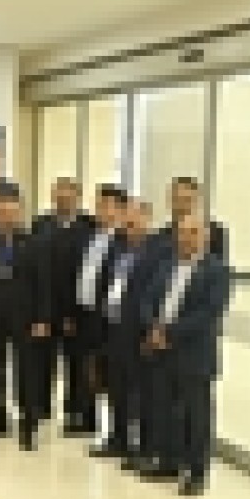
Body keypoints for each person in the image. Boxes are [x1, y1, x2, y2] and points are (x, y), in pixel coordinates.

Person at [138, 213, 232, 496]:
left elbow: (209, 313)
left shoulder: (218, 271)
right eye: (182, 232)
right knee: (165, 408)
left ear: (205, 236)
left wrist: (169, 333)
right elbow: (148, 299)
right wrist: (153, 328)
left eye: (193, 232)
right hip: (162, 350)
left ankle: (197, 472)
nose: (186, 238)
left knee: (196, 416)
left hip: (194, 354)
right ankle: (169, 462)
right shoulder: (167, 265)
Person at [0, 193, 52, 448]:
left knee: (27, 370)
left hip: (25, 316)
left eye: (13, 213)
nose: (8, 218)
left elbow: (44, 284)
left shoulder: (35, 244)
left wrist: (42, 319)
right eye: (3, 213)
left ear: (20, 214)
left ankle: (28, 424)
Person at [93, 198, 157, 464]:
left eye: (133, 222)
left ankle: (137, 444)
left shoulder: (154, 254)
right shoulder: (118, 250)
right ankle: (116, 437)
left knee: (136, 390)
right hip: (113, 326)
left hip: (136, 330)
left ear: (146, 221)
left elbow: (153, 295)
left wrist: (148, 328)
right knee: (116, 385)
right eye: (126, 222)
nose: (128, 227)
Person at [32, 177, 95, 422]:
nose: (63, 201)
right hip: (46, 305)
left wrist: (73, 312)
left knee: (76, 361)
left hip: (76, 307)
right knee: (43, 359)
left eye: (68, 197)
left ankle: (75, 409)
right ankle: (41, 406)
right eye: (59, 196)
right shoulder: (41, 224)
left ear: (77, 198)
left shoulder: (89, 227)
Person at [68, 184, 127, 436]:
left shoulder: (124, 242)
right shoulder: (88, 236)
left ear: (120, 209)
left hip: (108, 316)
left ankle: (114, 429)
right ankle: (85, 417)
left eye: (107, 205)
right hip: (84, 310)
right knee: (83, 365)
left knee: (108, 370)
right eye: (99, 205)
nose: (102, 210)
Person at [149, 176, 230, 263]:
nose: (182, 205)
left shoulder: (215, 233)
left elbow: (218, 265)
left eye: (187, 199)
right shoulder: (158, 237)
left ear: (196, 201)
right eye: (177, 199)